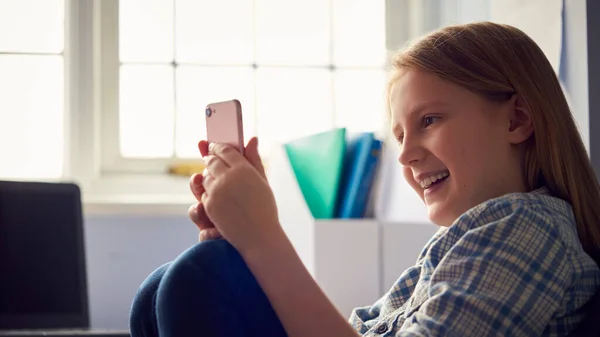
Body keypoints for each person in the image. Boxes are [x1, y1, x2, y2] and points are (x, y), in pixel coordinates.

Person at [129, 21, 600, 336]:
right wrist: (243, 236)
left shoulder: (526, 228)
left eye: (430, 120)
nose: (407, 153)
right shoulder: (466, 242)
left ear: (516, 120)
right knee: (167, 285)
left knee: (196, 279)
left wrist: (263, 240)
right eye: (400, 134)